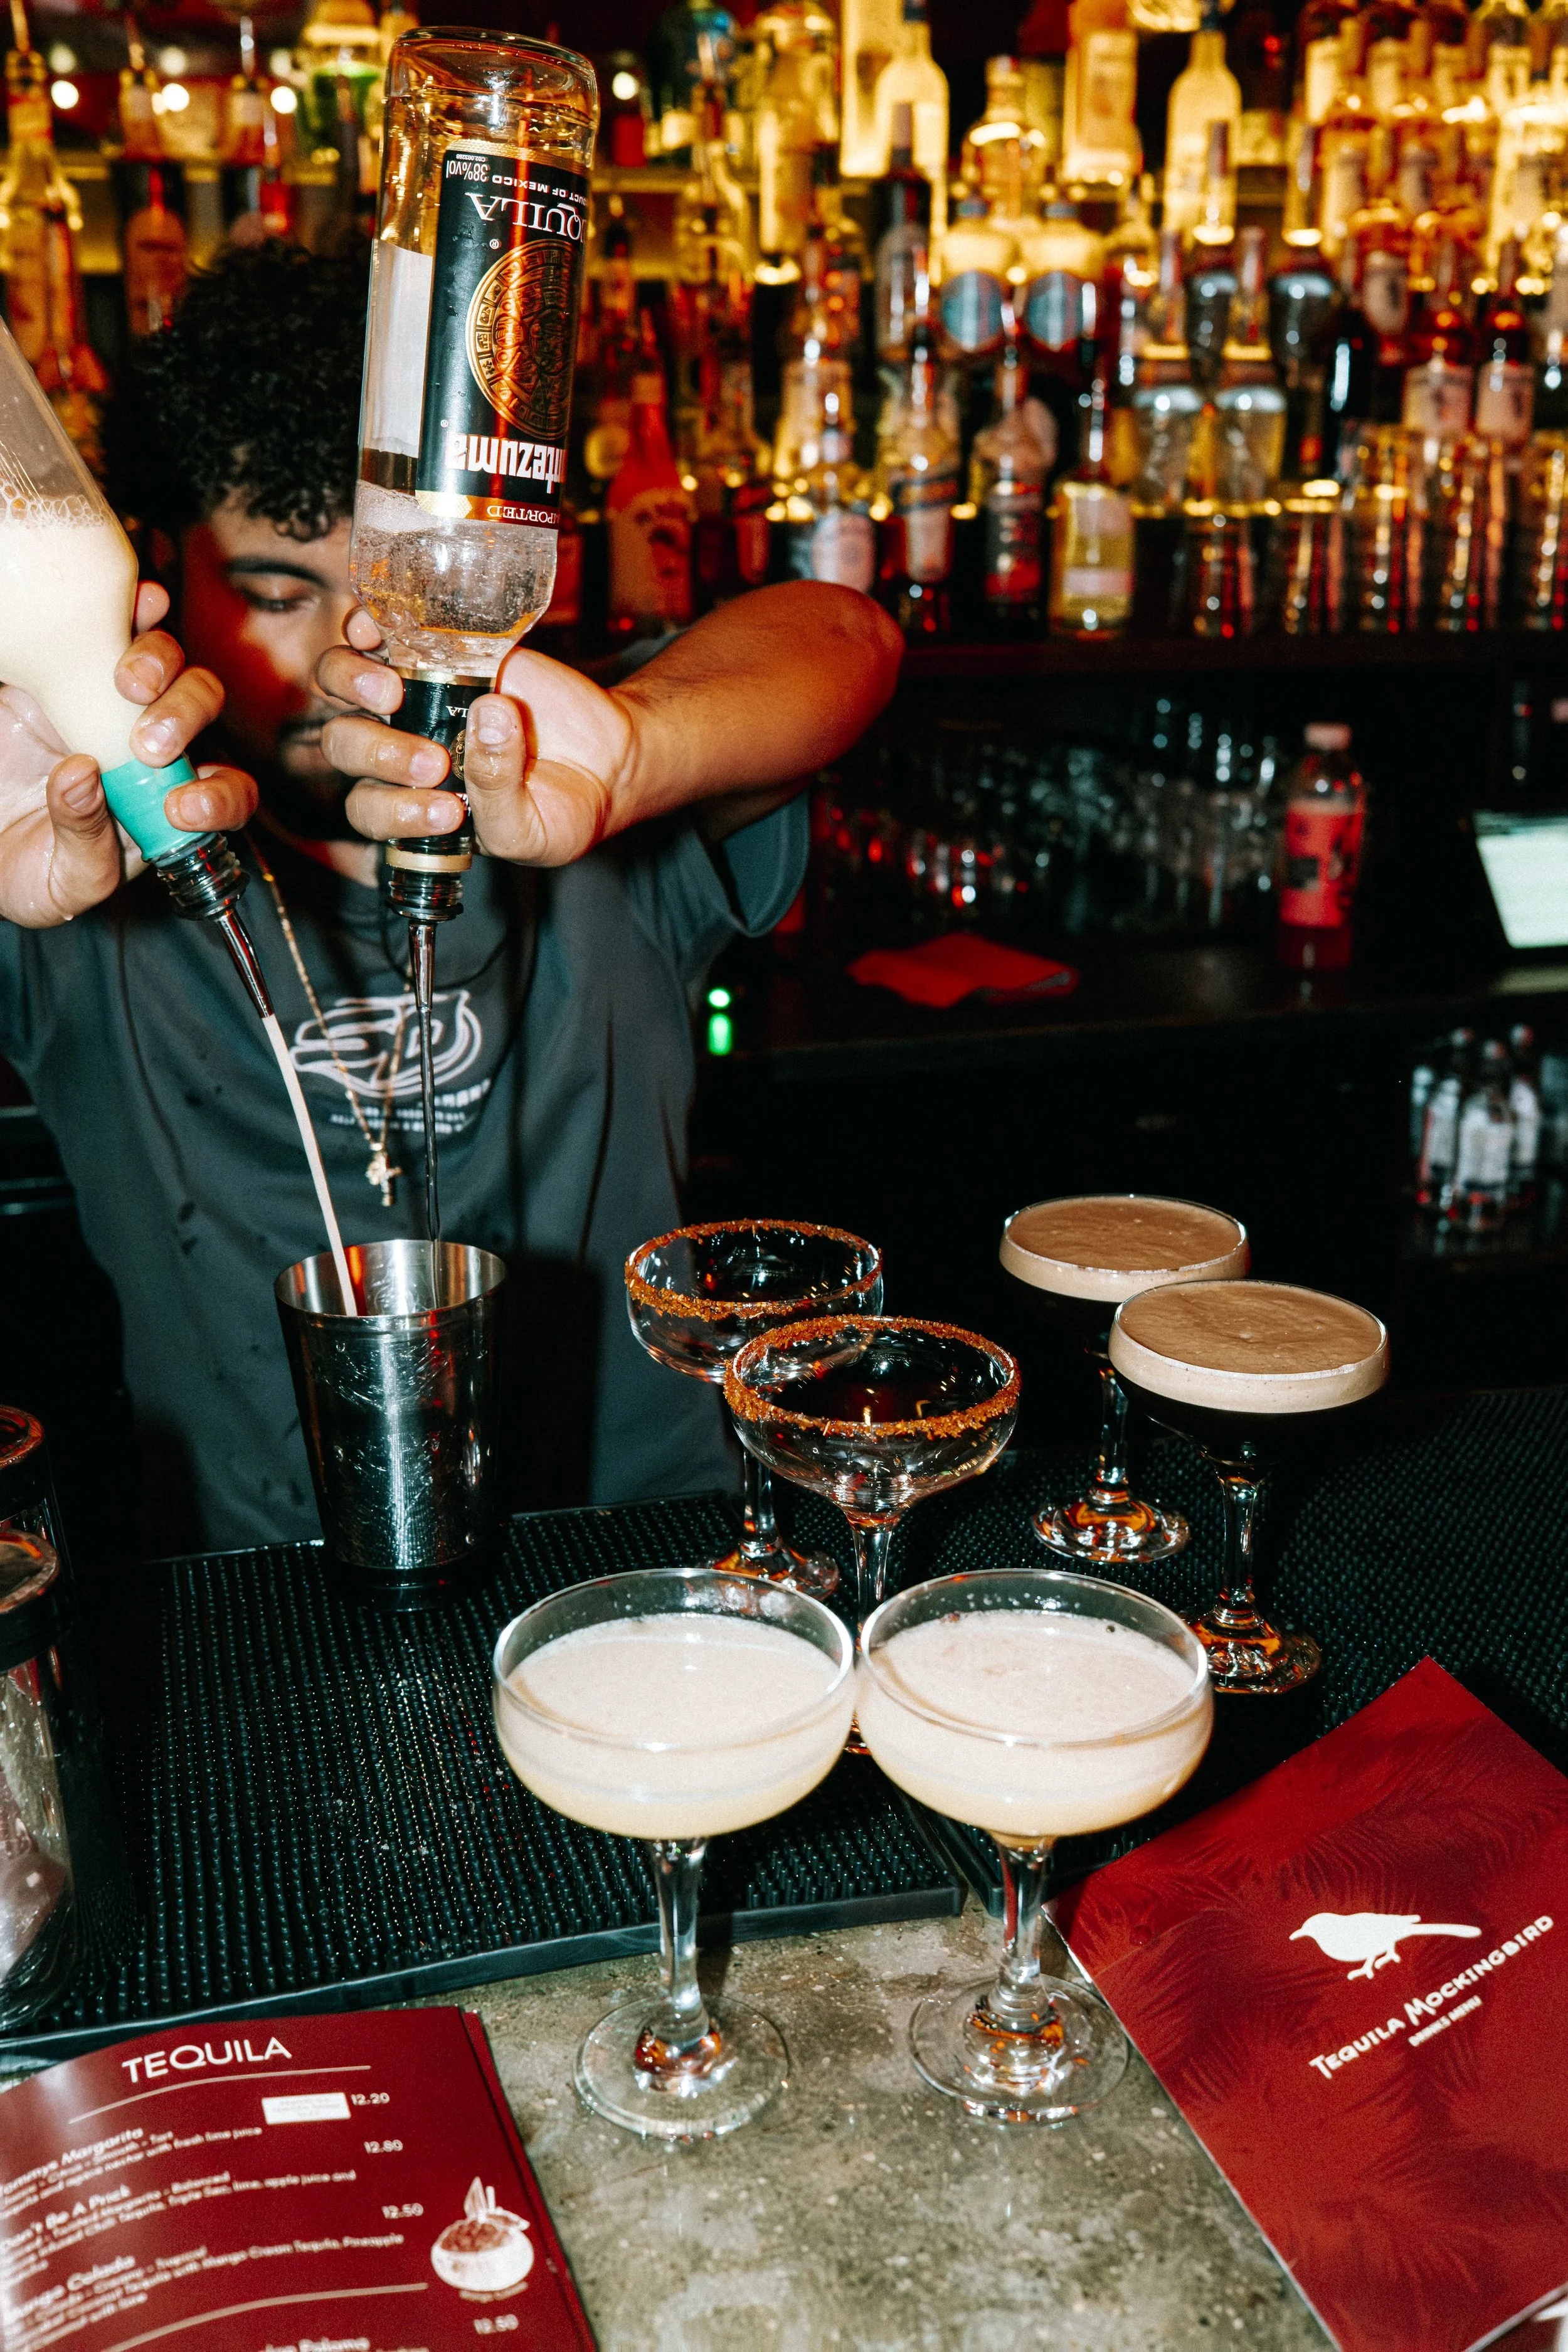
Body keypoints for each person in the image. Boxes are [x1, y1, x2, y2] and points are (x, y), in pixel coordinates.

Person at [0, 243, 901, 1555]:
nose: (330, 661)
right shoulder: (74, 870)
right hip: (254, 1606)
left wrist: (634, 757)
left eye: (381, 599)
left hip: (644, 1561)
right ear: (158, 585)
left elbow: (846, 637)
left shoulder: (560, 771)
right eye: (270, 593)